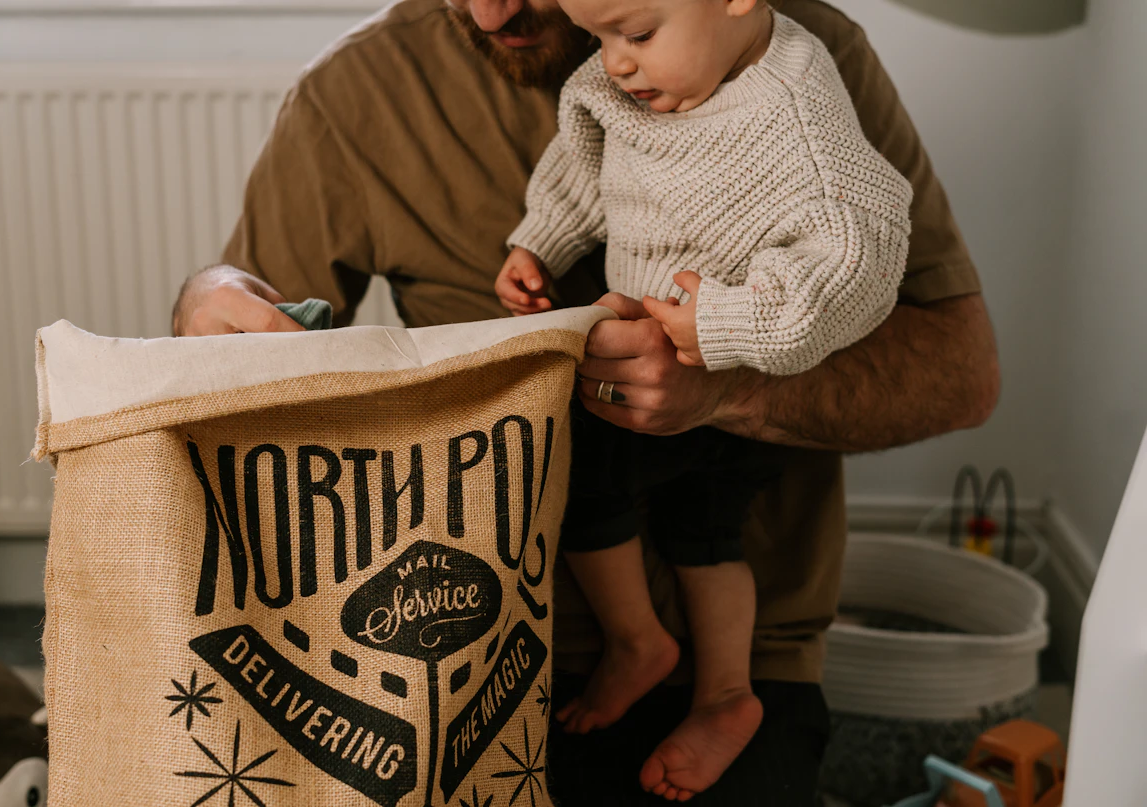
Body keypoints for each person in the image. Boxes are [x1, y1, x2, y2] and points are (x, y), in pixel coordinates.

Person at [171, 0, 1000, 803]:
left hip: (745, 649)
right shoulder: (361, 92)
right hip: (463, 642)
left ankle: (718, 686)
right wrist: (206, 296)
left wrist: (729, 377)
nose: (490, 14)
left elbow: (962, 373)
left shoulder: (799, 59)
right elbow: (251, 365)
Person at [492, 0, 912, 797]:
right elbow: (583, 161)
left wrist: (724, 324)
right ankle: (655, 650)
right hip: (632, 372)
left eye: (638, 35)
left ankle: (713, 686)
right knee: (635, 508)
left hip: (733, 368)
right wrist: (539, 238)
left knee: (694, 527)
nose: (615, 61)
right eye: (600, 37)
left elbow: (860, 248)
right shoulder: (617, 87)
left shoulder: (796, 105)